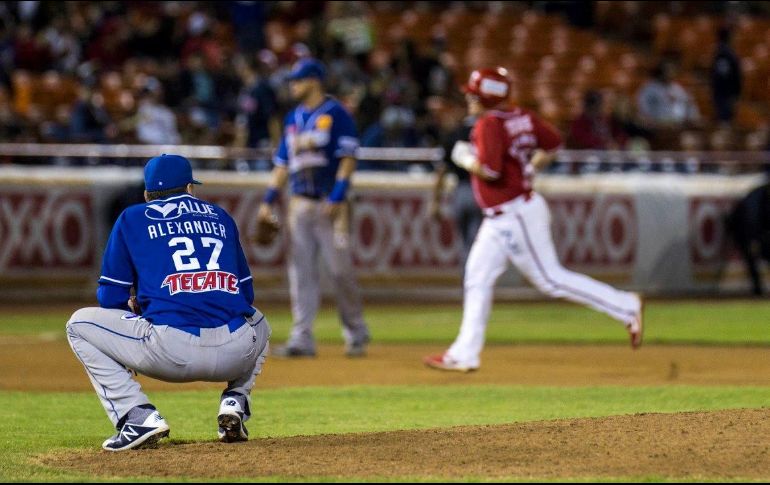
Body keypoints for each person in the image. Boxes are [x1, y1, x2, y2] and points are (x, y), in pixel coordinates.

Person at [423, 68, 644, 373]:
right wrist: (529, 167)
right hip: (501, 216)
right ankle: (465, 353)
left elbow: (491, 171)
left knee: (550, 279)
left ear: (488, 95)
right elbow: (553, 143)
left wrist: (465, 159)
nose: (469, 99)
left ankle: (625, 306)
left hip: (514, 213)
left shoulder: (490, 123)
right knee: (477, 277)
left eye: (474, 94)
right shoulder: (521, 116)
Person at [66, 154, 270, 451]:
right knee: (260, 321)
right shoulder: (221, 216)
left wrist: (134, 324)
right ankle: (235, 400)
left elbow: (110, 298)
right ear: (190, 188)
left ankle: (136, 416)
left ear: (147, 194)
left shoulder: (132, 217)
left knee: (78, 324)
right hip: (235, 352)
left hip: (171, 352)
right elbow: (246, 295)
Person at [256, 58, 370, 358]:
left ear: (314, 81)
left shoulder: (336, 113)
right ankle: (302, 338)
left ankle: (356, 331)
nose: (293, 85)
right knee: (301, 273)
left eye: (298, 80)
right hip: (300, 203)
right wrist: (268, 200)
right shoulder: (293, 118)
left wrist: (339, 194)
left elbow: (348, 158)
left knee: (340, 270)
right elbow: (282, 164)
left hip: (331, 203)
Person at [429, 114, 483, 267]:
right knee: (477, 243)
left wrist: (435, 201)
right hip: (480, 191)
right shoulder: (486, 132)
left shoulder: (455, 134)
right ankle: (475, 277)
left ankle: (467, 277)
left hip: (460, 192)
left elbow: (441, 170)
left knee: (465, 244)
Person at [636, 60, 701, 129]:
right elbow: (643, 108)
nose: (671, 74)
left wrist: (693, 118)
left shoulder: (676, 87)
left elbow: (688, 103)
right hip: (659, 124)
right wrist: (652, 121)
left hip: (680, 124)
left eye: (672, 71)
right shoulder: (649, 88)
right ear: (661, 73)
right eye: (668, 71)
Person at [711, 26, 742, 124]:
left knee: (724, 120)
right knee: (724, 121)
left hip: (723, 93)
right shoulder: (726, 53)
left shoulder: (721, 53)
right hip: (725, 93)